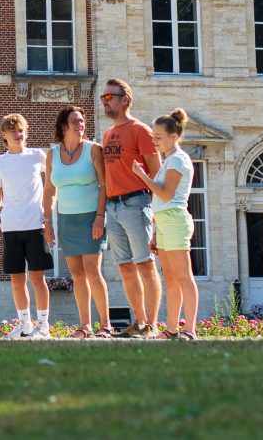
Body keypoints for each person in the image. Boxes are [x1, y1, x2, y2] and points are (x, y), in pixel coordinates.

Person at [97, 77, 163, 338]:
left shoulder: (140, 130)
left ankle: (152, 324)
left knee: (145, 264)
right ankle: (139, 321)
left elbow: (157, 173)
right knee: (125, 267)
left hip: (136, 203)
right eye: (103, 98)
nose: (105, 102)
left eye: (109, 97)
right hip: (113, 207)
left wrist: (156, 214)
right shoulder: (108, 133)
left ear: (124, 99)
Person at [130, 107, 198, 341]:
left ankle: (189, 329)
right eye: (153, 137)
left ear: (173, 136)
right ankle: (171, 329)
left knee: (184, 277)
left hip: (176, 220)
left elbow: (166, 194)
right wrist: (156, 234)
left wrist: (142, 176)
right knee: (170, 279)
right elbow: (160, 201)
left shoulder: (179, 159)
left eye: (158, 137)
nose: (154, 141)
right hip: (164, 223)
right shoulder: (169, 160)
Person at [44, 104, 112, 336]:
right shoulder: (52, 154)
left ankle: (105, 325)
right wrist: (48, 223)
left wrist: (100, 217)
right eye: (75, 120)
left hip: (91, 218)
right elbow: (49, 190)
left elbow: (104, 185)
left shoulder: (93, 150)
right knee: (77, 275)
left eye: (82, 121)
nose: (80, 124)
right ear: (64, 125)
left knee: (92, 271)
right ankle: (84, 326)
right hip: (66, 220)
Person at [0, 112, 54, 339]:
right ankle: (25, 324)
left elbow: (54, 181)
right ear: (4, 135)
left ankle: (43, 325)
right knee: (17, 279)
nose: (18, 134)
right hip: (10, 227)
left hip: (36, 226)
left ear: (26, 132)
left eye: (21, 129)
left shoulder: (37, 156)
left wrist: (50, 215)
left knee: (37, 278)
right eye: (13, 130)